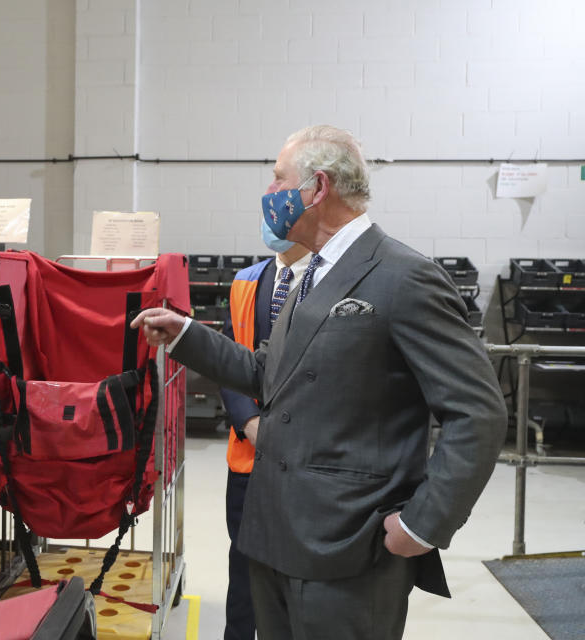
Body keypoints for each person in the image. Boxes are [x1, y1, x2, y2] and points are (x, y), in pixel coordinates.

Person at [133, 125, 506, 639]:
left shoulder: (403, 276)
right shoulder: (311, 273)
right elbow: (267, 375)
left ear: (317, 188)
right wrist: (187, 336)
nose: (268, 195)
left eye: (277, 180)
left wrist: (423, 524)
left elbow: (479, 412)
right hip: (274, 539)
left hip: (348, 548)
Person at [220, 232, 310, 640]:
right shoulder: (246, 281)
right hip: (248, 456)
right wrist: (250, 424)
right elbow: (227, 360)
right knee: (243, 570)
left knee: (298, 574)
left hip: (308, 460)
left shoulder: (330, 282)